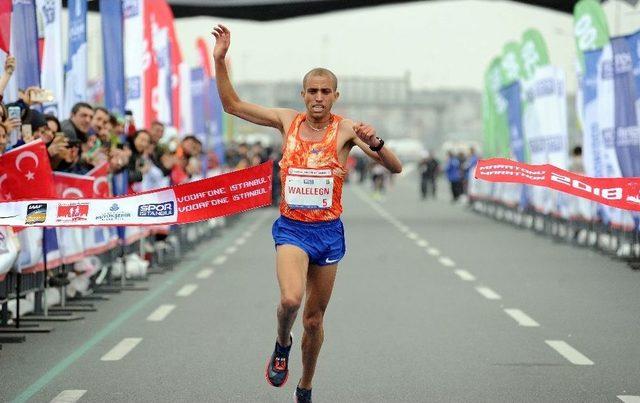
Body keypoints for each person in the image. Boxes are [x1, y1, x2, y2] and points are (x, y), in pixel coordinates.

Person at [212, 24, 402, 403]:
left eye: (325, 91)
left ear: (335, 96)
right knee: (290, 301)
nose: (318, 97)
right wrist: (220, 61)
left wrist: (376, 141)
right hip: (293, 229)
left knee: (314, 320)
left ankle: (306, 386)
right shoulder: (288, 121)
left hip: (328, 233)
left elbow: (394, 167)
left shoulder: (346, 130)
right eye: (312, 91)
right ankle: (282, 343)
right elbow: (232, 105)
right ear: (303, 94)